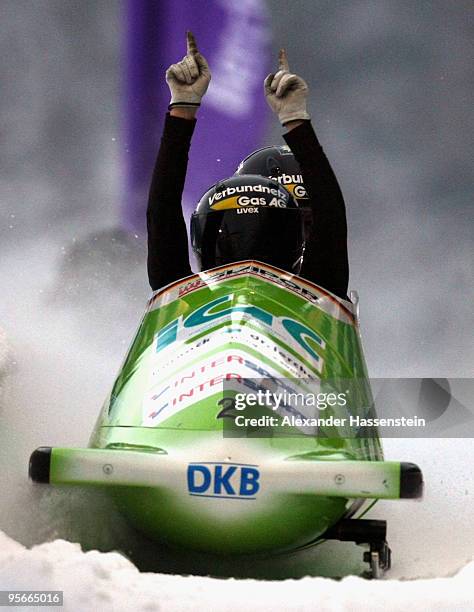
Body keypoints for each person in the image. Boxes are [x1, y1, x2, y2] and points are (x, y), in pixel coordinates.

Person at [147, 32, 349, 299]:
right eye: (235, 236)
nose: (249, 253)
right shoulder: (181, 295)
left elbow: (331, 217)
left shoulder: (319, 291)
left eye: (266, 235)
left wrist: (182, 114)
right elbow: (162, 214)